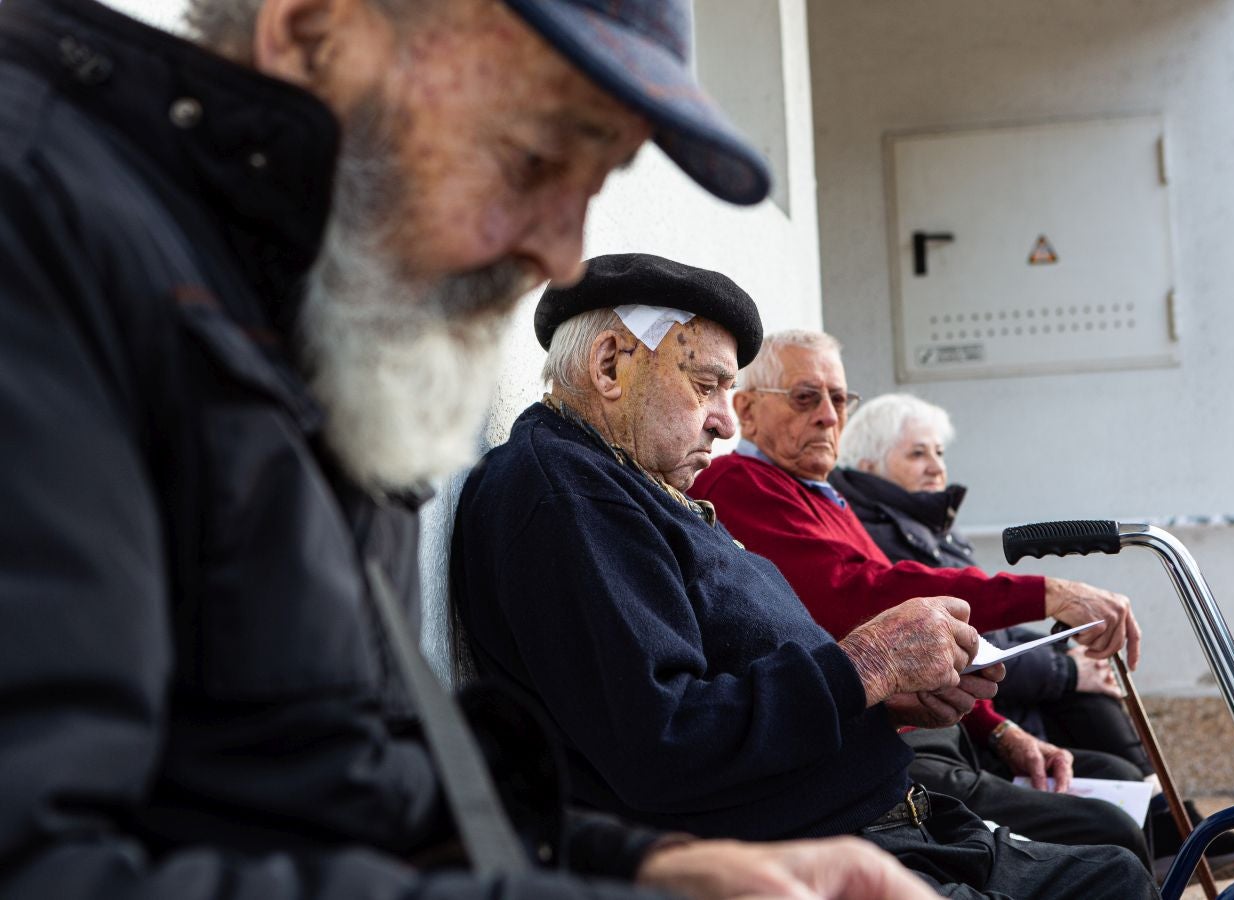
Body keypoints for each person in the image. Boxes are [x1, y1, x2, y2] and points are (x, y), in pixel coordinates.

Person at [0, 0, 942, 896]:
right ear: (318, 34)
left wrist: (633, 869)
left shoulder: (318, 321)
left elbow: (341, 792)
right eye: (534, 158)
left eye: (594, 185)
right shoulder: (39, 234)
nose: (563, 256)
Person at [452, 252, 1161, 899]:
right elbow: (665, 740)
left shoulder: (631, 483)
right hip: (816, 854)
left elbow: (747, 679)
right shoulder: (569, 497)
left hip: (885, 816)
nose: (726, 423)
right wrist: (870, 665)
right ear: (610, 367)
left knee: (1117, 871)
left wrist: (890, 700)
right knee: (1112, 879)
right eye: (708, 386)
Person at [687, 330, 1153, 863]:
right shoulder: (740, 483)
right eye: (805, 397)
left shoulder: (824, 496)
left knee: (1113, 787)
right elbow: (866, 596)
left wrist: (1000, 733)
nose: (828, 415)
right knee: (1109, 835)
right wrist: (1046, 591)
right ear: (745, 408)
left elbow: (911, 626)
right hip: (883, 752)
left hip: (931, 734)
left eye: (838, 399)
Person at [829, 391, 1234, 883]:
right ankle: (1170, 835)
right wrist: (1063, 669)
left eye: (938, 452)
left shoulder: (917, 525)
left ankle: (1174, 828)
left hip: (983, 711)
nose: (936, 466)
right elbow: (944, 633)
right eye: (918, 453)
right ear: (868, 461)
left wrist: (1062, 656)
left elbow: (987, 625)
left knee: (1092, 693)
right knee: (1100, 774)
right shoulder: (883, 530)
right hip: (956, 719)